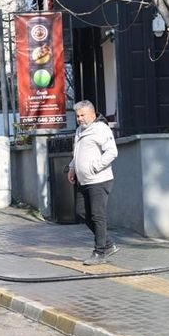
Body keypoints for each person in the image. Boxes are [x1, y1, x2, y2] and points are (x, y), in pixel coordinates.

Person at [67, 100, 118, 265]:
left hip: (99, 179)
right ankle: (108, 244)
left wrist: (95, 167)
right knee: (81, 212)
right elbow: (77, 153)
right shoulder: (79, 131)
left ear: (92, 113)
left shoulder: (100, 129)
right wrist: (72, 168)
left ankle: (100, 252)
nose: (80, 118)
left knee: (98, 216)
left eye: (83, 115)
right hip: (83, 180)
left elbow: (112, 152)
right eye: (77, 116)